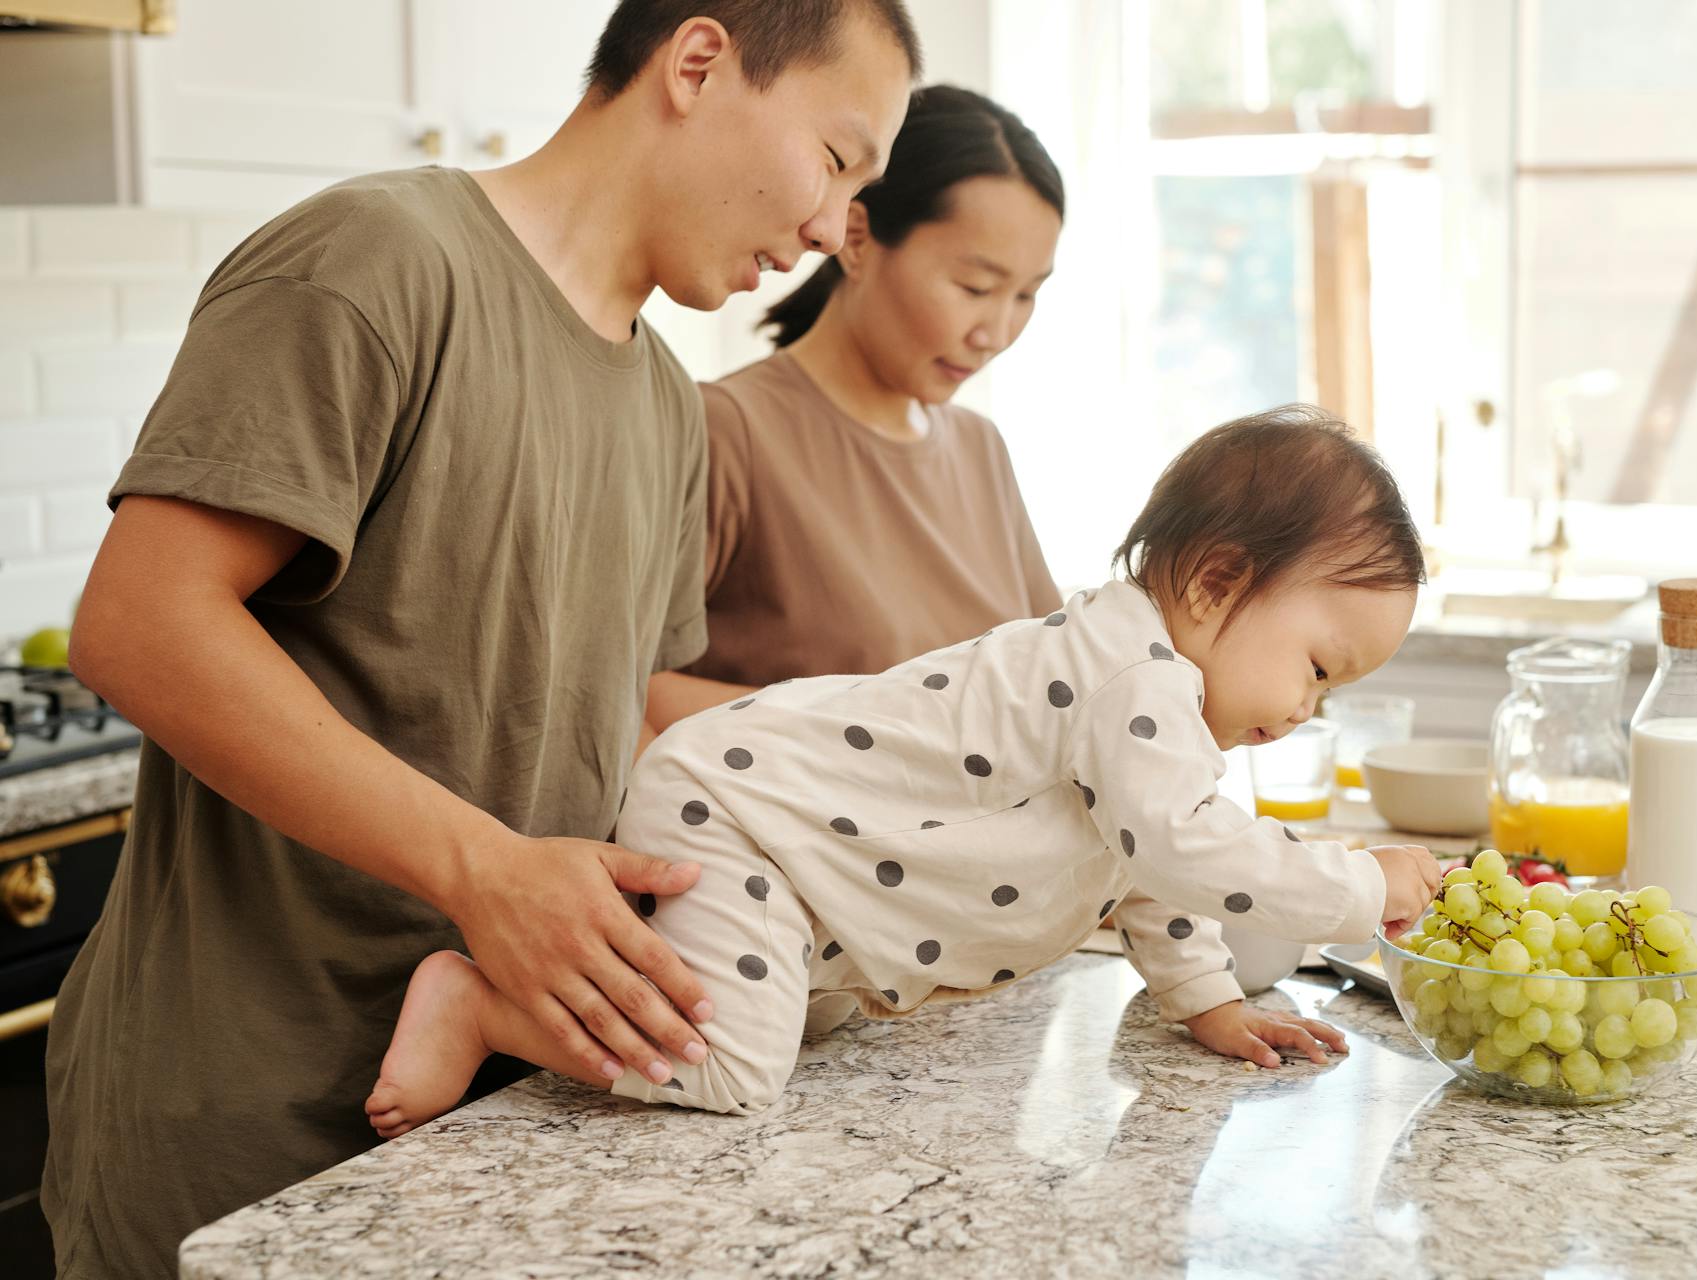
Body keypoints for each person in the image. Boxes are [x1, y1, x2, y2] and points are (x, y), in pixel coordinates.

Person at [42, 3, 919, 1274]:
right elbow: (137, 625)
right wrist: (483, 871)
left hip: (489, 1129)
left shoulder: (669, 406)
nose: (838, 231)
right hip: (242, 1131)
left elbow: (606, 723)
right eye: (838, 162)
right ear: (697, 62)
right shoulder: (375, 260)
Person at [365, 406, 1444, 1127]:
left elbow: (1149, 867)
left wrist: (1206, 1000)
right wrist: (1360, 883)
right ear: (1214, 583)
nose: (1308, 708)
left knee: (790, 1019)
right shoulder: (1131, 679)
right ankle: (477, 1006)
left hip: (796, 850)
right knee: (736, 1069)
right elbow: (1184, 843)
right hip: (743, 814)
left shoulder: (1152, 700)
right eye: (1315, 667)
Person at [643, 83, 1066, 733]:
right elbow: (621, 687)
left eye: (1026, 296)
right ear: (860, 241)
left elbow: (1054, 680)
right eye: (975, 287)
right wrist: (877, 729)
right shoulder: (729, 431)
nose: (997, 332)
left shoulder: (980, 448)